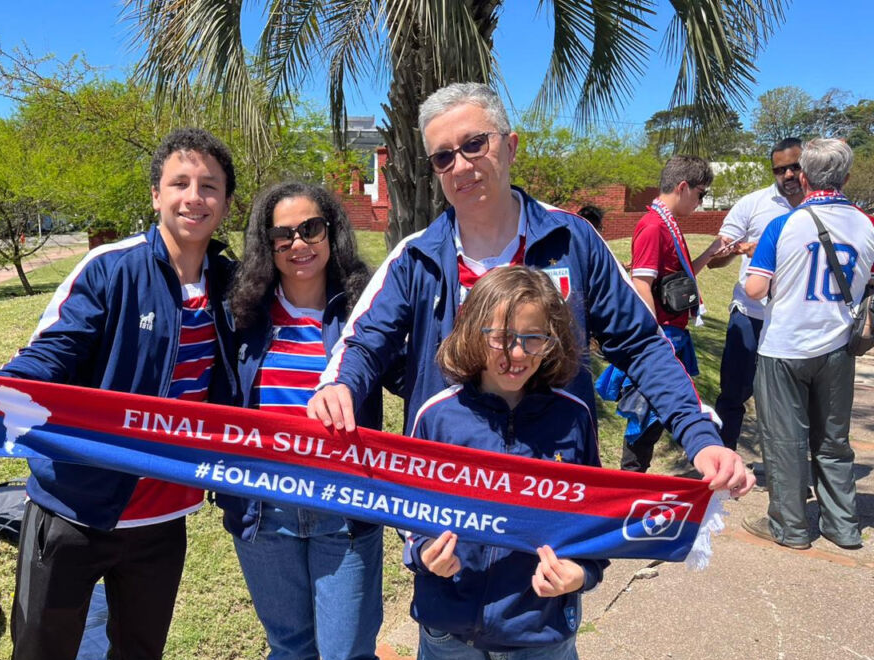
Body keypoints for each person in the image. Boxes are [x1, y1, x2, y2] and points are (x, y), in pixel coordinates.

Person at [0, 128, 239, 660]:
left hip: (162, 518)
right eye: (180, 183)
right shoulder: (112, 268)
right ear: (156, 195)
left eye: (209, 186)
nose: (194, 197)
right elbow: (52, 354)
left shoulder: (236, 284)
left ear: (227, 204)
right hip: (72, 509)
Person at [308, 82, 751, 496]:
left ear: (511, 146)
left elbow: (640, 343)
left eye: (474, 144)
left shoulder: (571, 240)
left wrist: (697, 433)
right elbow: (366, 341)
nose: (460, 165)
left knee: (558, 580)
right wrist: (340, 385)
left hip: (554, 478)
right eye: (443, 157)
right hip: (446, 484)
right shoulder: (417, 257)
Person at [404, 266, 604, 660]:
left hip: (538, 630)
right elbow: (408, 511)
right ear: (472, 333)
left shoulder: (573, 417)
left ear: (551, 342)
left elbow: (595, 518)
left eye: (531, 339)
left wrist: (584, 573)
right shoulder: (437, 416)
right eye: (500, 338)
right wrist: (424, 555)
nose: (514, 354)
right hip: (449, 627)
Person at [218, 182, 383, 660]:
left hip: (346, 509)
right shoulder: (242, 316)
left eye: (310, 229)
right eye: (282, 234)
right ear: (267, 244)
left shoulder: (367, 311)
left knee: (347, 654)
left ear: (331, 231)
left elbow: (418, 371)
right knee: (289, 649)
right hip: (265, 514)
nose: (298, 244)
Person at [741, 138, 874, 551]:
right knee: (833, 440)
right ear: (847, 177)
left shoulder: (785, 225)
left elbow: (754, 286)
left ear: (803, 175)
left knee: (786, 440)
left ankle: (791, 526)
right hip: (837, 347)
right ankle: (843, 525)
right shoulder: (867, 225)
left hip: (784, 346)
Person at [696, 138, 805, 449]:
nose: (787, 175)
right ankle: (722, 463)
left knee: (790, 399)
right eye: (779, 169)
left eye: (794, 167)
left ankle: (786, 472)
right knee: (733, 393)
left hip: (794, 318)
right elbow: (717, 258)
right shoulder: (752, 204)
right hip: (750, 313)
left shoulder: (818, 206)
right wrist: (735, 251)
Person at [621, 155, 713, 473]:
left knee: (658, 417)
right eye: (701, 194)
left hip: (674, 332)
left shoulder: (668, 225)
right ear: (684, 187)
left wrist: (714, 251)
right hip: (663, 335)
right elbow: (641, 283)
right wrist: (653, 338)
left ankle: (635, 482)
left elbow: (682, 278)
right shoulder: (652, 227)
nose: (701, 203)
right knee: (643, 418)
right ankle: (630, 485)